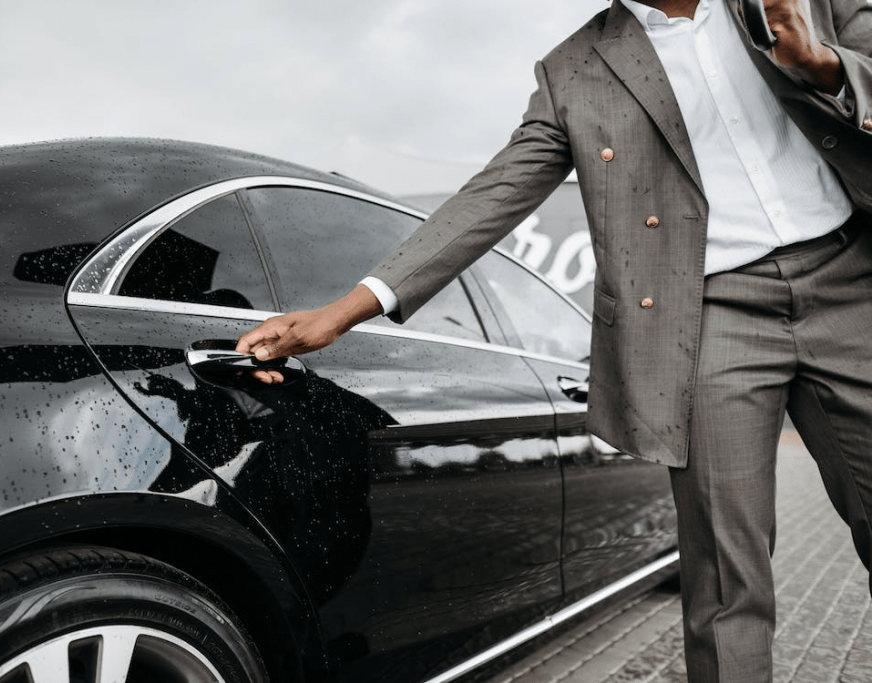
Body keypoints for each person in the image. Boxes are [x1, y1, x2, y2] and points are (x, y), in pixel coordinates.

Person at [237, 0, 872, 680]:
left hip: (851, 282)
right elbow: (495, 192)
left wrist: (826, 68)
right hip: (709, 317)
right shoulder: (577, 67)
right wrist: (345, 309)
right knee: (723, 582)